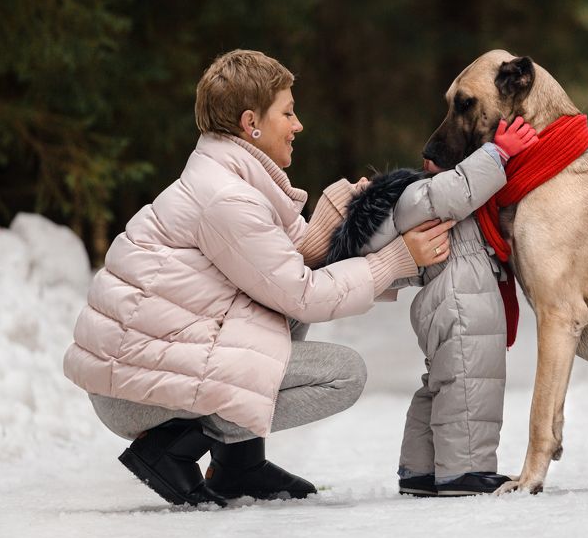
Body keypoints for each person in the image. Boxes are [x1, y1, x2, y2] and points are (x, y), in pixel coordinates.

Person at [62, 49, 454, 507]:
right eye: (288, 112)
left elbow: (287, 273)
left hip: (149, 367)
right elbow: (303, 295)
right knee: (343, 375)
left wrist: (335, 224)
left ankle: (238, 467)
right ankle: (171, 447)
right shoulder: (227, 198)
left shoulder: (237, 180)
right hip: (132, 389)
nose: (298, 124)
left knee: (278, 316)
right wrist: (395, 260)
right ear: (251, 123)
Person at [325, 117, 537, 496]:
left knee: (442, 383)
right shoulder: (421, 196)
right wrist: (498, 152)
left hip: (450, 299)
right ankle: (465, 469)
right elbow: (460, 189)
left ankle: (420, 470)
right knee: (471, 380)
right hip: (462, 302)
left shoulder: (414, 203)